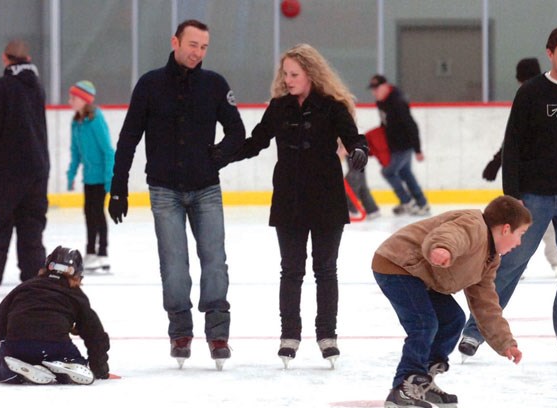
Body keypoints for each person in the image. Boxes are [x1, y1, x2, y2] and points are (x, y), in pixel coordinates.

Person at [458, 26, 557, 364]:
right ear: (550, 54)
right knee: (509, 264)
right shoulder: (531, 93)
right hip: (532, 198)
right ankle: (475, 330)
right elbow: (513, 148)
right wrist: (512, 200)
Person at [108, 20, 245, 370]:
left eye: (204, 47)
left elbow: (236, 131)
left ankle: (217, 333)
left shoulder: (215, 85)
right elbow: (128, 138)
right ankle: (180, 331)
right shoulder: (150, 84)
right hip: (164, 190)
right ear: (175, 42)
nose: (198, 53)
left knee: (215, 260)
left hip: (206, 189)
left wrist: (218, 155)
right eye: (193, 45)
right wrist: (118, 186)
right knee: (174, 266)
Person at [229, 43, 369, 368]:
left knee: (325, 269)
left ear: (310, 74)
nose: (287, 79)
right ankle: (289, 335)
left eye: (294, 74)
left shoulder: (333, 107)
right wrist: (224, 155)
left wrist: (359, 152)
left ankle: (327, 336)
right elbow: (257, 141)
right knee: (291, 270)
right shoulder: (279, 107)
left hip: (327, 199)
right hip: (289, 199)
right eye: (285, 74)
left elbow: (354, 138)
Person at [373, 195, 527, 408]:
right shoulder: (474, 225)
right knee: (424, 324)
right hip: (397, 264)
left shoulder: (489, 259)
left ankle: (422, 381)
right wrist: (443, 248)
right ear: (506, 229)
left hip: (420, 275)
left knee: (453, 319)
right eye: (520, 234)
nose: (519, 242)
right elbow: (451, 235)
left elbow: (486, 304)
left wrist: (505, 342)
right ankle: (404, 387)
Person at [0, 39, 49, 296]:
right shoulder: (37, 87)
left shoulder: (1, 87)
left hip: (6, 172)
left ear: (5, 58)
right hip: (38, 169)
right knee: (32, 226)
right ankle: (34, 278)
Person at [482, 57, 557, 275]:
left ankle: (517, 264)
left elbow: (512, 141)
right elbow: (513, 139)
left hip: (533, 176)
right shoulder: (547, 94)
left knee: (521, 221)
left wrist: (497, 162)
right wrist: (497, 162)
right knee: (542, 223)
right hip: (541, 175)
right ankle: (552, 261)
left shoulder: (530, 97)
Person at [0, 246, 110, 385]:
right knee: (74, 362)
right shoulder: (76, 295)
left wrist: (4, 345)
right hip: (55, 344)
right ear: (77, 274)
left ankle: (12, 370)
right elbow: (95, 335)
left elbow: (1, 316)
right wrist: (99, 369)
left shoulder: (25, 287)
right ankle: (65, 366)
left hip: (17, 342)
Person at [66, 80, 115, 273]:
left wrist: (110, 178)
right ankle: (95, 253)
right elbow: (75, 151)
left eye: (73, 98)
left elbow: (108, 151)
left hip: (101, 177)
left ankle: (99, 253)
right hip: (88, 177)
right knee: (90, 213)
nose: (70, 101)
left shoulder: (96, 119)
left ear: (84, 100)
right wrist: (71, 174)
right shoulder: (76, 122)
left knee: (96, 213)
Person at [368, 74, 430, 216]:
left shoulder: (397, 102)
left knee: (388, 172)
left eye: (376, 88)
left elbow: (411, 125)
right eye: (372, 89)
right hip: (393, 145)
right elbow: (385, 123)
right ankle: (422, 203)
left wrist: (417, 149)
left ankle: (407, 201)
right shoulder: (381, 102)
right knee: (405, 172)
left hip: (404, 145)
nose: (374, 92)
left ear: (385, 86)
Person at [341, 144, 380, 219]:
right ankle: (372, 210)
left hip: (355, 153)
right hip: (359, 153)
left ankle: (352, 209)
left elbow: (341, 150)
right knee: (361, 183)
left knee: (353, 180)